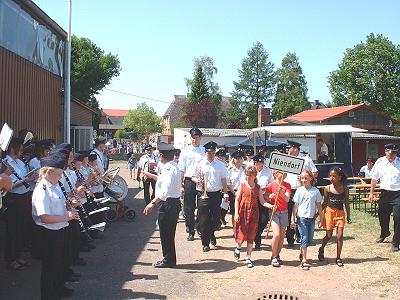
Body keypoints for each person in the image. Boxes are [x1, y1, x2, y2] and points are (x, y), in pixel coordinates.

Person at [32, 154, 79, 299]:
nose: (60, 177)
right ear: (49, 172)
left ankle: (58, 289)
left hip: (59, 229)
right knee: (50, 267)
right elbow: (44, 217)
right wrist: (68, 217)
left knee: (58, 264)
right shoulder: (42, 190)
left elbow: (61, 203)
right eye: (59, 174)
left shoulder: (54, 185)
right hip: (49, 233)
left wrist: (70, 204)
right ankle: (48, 295)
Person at [143, 143, 181, 268]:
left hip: (168, 204)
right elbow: (163, 180)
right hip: (171, 203)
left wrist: (152, 203)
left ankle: (168, 260)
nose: (159, 156)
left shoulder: (169, 169)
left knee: (166, 233)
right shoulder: (172, 167)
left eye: (160, 154)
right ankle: (169, 258)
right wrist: (151, 176)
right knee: (167, 233)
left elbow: (165, 191)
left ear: (162, 156)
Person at [192, 141, 229, 252]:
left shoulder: (220, 164)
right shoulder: (199, 163)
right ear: (205, 152)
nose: (211, 155)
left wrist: (226, 192)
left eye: (213, 153)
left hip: (216, 194)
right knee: (203, 219)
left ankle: (211, 233)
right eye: (209, 153)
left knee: (215, 219)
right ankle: (205, 243)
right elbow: (193, 176)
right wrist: (197, 180)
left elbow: (223, 179)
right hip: (203, 193)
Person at [234, 165, 273, 268]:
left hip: (254, 214)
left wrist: (270, 206)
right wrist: (236, 213)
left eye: (250, 175)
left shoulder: (258, 187)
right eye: (246, 175)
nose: (248, 177)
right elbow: (237, 200)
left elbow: (262, 201)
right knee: (242, 232)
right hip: (243, 212)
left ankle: (248, 257)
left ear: (255, 176)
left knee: (251, 235)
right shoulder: (242, 186)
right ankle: (238, 247)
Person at [285, 140, 318, 247]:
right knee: (290, 214)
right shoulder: (284, 159)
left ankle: (299, 235)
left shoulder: (305, 159)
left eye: (289, 148)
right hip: (289, 190)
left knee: (301, 213)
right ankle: (290, 238)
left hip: (302, 190)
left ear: (295, 149)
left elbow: (315, 172)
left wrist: (308, 181)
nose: (288, 150)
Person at [369, 143, 400, 252]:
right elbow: (374, 179)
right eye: (390, 153)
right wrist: (371, 193)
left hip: (398, 194)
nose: (392, 155)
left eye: (395, 153)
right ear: (385, 152)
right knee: (382, 216)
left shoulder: (399, 163)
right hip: (385, 193)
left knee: (398, 218)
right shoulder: (380, 162)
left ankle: (396, 242)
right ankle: (385, 232)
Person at [291, 170, 323, 270]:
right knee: (304, 237)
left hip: (311, 218)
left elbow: (319, 205)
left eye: (306, 178)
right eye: (302, 178)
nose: (304, 180)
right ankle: (304, 259)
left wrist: (321, 218)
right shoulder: (299, 191)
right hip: (302, 218)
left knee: (309, 239)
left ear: (311, 178)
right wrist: (293, 219)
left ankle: (302, 252)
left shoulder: (315, 191)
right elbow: (295, 206)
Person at [319, 167, 351, 266]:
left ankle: (338, 257)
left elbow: (346, 202)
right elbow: (324, 202)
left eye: (334, 176)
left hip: (340, 212)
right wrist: (318, 214)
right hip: (329, 212)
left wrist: (349, 215)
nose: (331, 178)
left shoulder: (345, 188)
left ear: (340, 178)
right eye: (330, 176)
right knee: (329, 235)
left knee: (340, 235)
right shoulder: (327, 188)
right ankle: (321, 249)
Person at [179, 127, 205, 241]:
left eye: (197, 138)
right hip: (189, 180)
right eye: (193, 138)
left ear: (200, 138)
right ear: (191, 138)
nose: (195, 140)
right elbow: (181, 169)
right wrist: (181, 184)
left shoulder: (204, 151)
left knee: (202, 206)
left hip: (201, 181)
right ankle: (190, 229)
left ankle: (198, 226)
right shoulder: (185, 151)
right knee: (189, 207)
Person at [265, 170, 291, 267]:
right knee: (276, 235)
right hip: (274, 212)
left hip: (284, 212)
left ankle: (277, 255)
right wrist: (269, 197)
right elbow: (265, 197)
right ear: (275, 174)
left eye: (285, 172)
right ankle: (273, 256)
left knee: (281, 237)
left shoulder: (287, 185)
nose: (284, 174)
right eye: (281, 172)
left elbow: (287, 199)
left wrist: (281, 192)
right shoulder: (270, 185)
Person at [253, 153, 274, 250]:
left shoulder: (268, 171)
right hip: (252, 197)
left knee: (264, 219)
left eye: (262, 163)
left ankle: (257, 234)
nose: (262, 165)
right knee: (254, 219)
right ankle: (257, 241)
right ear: (255, 163)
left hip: (263, 196)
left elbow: (271, 183)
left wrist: (267, 188)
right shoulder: (251, 170)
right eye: (259, 163)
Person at [225, 149, 245, 227]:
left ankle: (242, 228)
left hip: (244, 192)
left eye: (240, 158)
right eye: (236, 158)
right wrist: (234, 192)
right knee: (234, 212)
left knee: (243, 211)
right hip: (234, 192)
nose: (238, 160)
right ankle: (235, 228)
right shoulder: (230, 170)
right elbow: (228, 183)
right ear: (233, 159)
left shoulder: (245, 169)